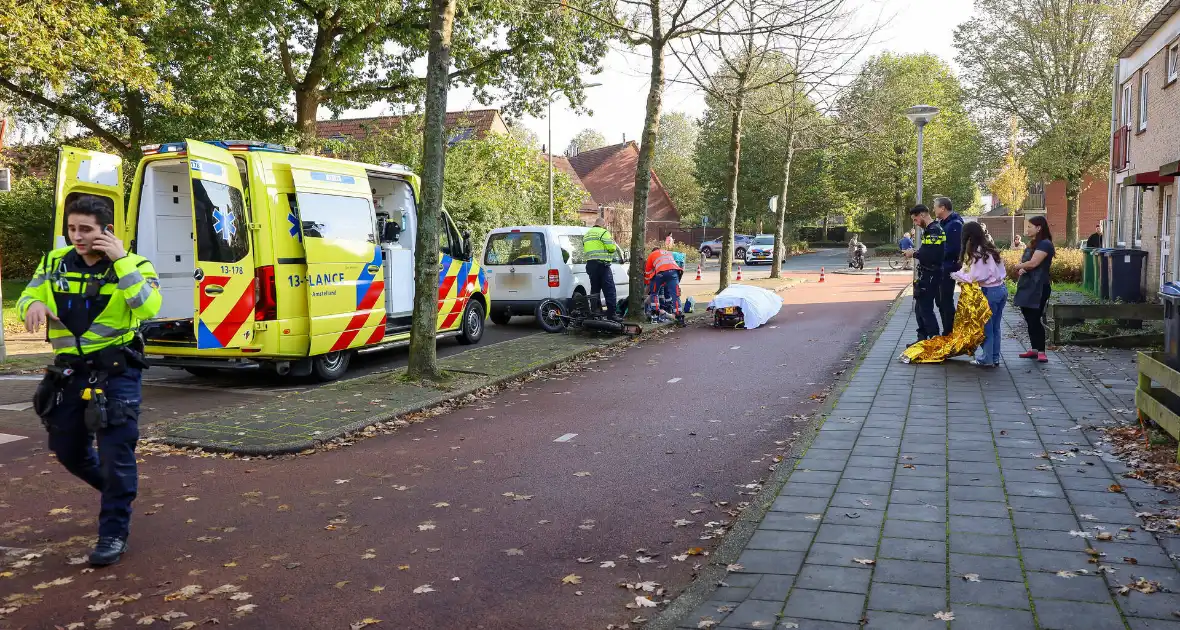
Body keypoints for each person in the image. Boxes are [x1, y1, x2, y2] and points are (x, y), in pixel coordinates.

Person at [19, 194, 162, 566]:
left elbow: (148, 307)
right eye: (71, 229)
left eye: (86, 230)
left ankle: (113, 530)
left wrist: (120, 261)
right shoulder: (54, 262)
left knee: (116, 453)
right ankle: (117, 491)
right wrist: (31, 305)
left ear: (106, 231)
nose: (77, 237)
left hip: (116, 372)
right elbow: (28, 295)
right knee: (66, 449)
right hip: (68, 372)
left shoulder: (135, 264)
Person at [951, 222, 1007, 367]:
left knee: (986, 328)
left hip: (989, 291)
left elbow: (977, 276)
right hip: (1001, 289)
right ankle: (994, 357)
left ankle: (987, 358)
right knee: (996, 327)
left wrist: (956, 275)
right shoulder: (990, 248)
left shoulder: (978, 252)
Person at [1011, 216, 1055, 363]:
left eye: (1030, 226)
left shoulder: (1045, 244)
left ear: (1038, 228)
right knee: (1028, 317)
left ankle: (1041, 350)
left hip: (1039, 286)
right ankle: (1034, 349)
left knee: (1035, 317)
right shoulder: (1032, 244)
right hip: (1027, 285)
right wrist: (1023, 268)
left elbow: (1034, 263)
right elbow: (1027, 263)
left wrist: (1020, 266)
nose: (1027, 229)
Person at [903, 205, 945, 343]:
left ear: (922, 215)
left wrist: (913, 253)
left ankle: (934, 339)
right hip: (927, 273)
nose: (915, 223)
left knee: (925, 308)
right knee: (919, 307)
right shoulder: (931, 230)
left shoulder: (934, 231)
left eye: (915, 220)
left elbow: (931, 254)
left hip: (931, 274)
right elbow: (929, 251)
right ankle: (922, 339)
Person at [933, 197, 963, 336]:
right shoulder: (945, 223)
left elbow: (952, 248)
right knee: (940, 301)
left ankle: (949, 332)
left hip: (947, 267)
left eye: (935, 206)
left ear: (943, 208)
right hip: (942, 267)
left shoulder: (955, 224)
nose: (934, 209)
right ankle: (947, 331)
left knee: (945, 300)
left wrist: (935, 255)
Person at [583, 218, 620, 319]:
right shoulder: (604, 233)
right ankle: (611, 315)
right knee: (609, 289)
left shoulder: (587, 234)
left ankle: (596, 313)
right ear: (603, 225)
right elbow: (611, 248)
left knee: (595, 290)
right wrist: (613, 244)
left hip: (590, 265)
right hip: (602, 265)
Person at [644, 246, 683, 320]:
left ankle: (655, 314)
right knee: (676, 295)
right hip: (674, 272)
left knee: (654, 294)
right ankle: (679, 316)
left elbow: (648, 273)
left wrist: (647, 288)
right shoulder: (668, 253)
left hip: (660, 273)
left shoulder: (651, 255)